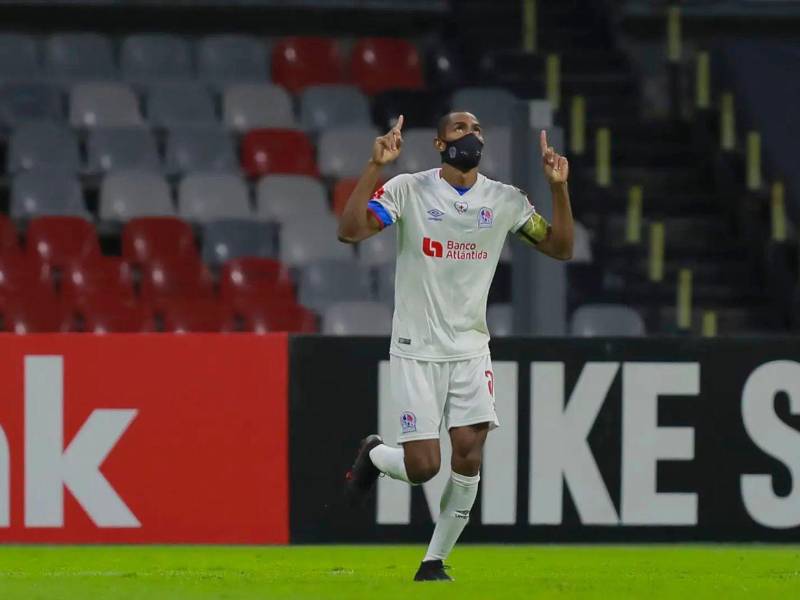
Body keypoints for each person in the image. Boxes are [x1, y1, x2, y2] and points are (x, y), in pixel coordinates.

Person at [338, 111, 574, 581]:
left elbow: (561, 248)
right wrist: (374, 166)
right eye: (462, 130)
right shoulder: (408, 189)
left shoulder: (504, 200)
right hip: (416, 348)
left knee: (469, 452)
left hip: (470, 349)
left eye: (479, 130)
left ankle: (433, 561)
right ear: (441, 145)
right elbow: (351, 230)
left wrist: (558, 187)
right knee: (424, 467)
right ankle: (375, 454)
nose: (473, 136)